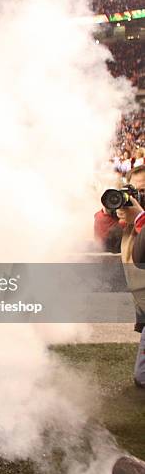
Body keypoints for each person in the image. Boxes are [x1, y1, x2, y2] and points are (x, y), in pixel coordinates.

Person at [95, 165, 145, 389]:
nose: (136, 199)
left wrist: (140, 218)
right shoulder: (129, 226)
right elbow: (104, 243)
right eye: (134, 192)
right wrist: (107, 215)